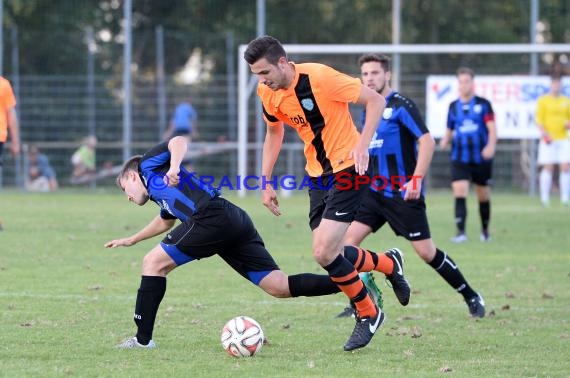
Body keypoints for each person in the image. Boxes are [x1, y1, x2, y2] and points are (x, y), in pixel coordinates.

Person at [105, 136, 383, 349]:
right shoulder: (159, 194)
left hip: (210, 218)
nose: (127, 197)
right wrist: (132, 239)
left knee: (153, 263)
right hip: (231, 220)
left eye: (124, 189)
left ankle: (142, 341)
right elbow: (166, 221)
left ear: (130, 176)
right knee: (278, 286)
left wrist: (175, 166)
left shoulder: (146, 167)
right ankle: (354, 283)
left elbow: (178, 141)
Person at [244, 35, 406, 351]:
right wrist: (265, 181)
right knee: (332, 253)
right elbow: (273, 133)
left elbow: (376, 101)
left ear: (282, 62)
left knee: (323, 251)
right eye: (256, 76)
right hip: (317, 176)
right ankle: (388, 264)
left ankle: (368, 312)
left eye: (264, 73)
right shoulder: (268, 93)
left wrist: (362, 145)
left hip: (349, 168)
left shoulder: (320, 78)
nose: (261, 82)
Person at [336, 54, 485, 319]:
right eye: (365, 74)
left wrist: (416, 179)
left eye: (374, 73)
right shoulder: (366, 109)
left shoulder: (401, 105)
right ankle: (360, 303)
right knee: (347, 244)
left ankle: (471, 295)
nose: (369, 78)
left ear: (387, 75)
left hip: (402, 193)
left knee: (426, 252)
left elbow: (426, 142)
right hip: (372, 192)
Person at [439, 67, 497, 243]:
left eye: (467, 81)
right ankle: (461, 232)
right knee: (460, 191)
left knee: (483, 194)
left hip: (481, 157)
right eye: (461, 81)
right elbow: (449, 130)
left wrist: (490, 146)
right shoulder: (453, 107)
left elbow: (492, 129)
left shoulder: (483, 104)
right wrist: (444, 141)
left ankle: (485, 230)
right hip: (459, 157)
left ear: (473, 83)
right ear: (458, 84)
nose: (464, 85)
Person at [535, 75, 570, 207]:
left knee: (565, 167)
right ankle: (545, 199)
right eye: (554, 84)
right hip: (548, 138)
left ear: (561, 85)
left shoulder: (566, 101)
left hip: (564, 138)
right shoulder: (543, 101)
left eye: (558, 84)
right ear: (551, 85)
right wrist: (545, 134)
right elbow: (539, 120)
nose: (556, 86)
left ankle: (565, 199)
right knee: (548, 167)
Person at [0, 76, 20, 231]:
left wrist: (15, 142)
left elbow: (11, 114)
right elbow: (11, 114)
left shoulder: (3, 85)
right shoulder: (3, 84)